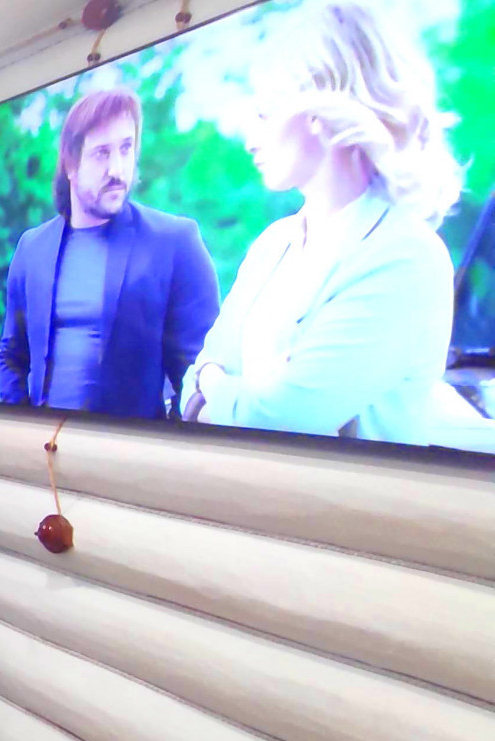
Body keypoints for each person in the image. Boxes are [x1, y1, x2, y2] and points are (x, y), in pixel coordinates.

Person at [182, 0, 463, 445]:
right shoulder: (274, 244)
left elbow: (282, 418)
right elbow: (192, 381)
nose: (250, 140)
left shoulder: (406, 256)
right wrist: (216, 386)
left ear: (317, 112)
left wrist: (214, 386)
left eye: (265, 113)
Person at [0, 88, 221, 418]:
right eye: (101, 153)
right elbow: (12, 357)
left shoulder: (175, 242)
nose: (117, 169)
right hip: (41, 445)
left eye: (126, 148)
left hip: (129, 448)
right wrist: (18, 429)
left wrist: (166, 443)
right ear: (70, 164)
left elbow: (198, 371)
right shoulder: (32, 248)